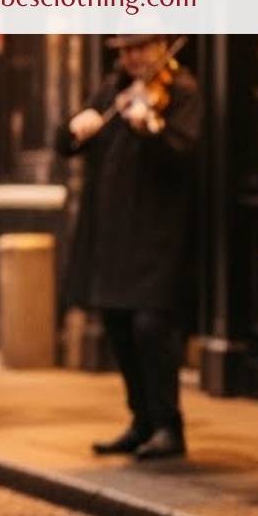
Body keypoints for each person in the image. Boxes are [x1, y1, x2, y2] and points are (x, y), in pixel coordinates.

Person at [55, 33, 201, 462]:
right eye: (124, 50)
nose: (131, 57)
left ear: (160, 46)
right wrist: (75, 128)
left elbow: (184, 153)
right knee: (117, 326)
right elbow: (65, 144)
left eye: (139, 48)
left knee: (151, 328)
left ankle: (169, 425)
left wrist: (150, 130)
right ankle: (142, 420)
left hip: (157, 233)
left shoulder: (181, 90)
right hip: (112, 233)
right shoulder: (111, 90)